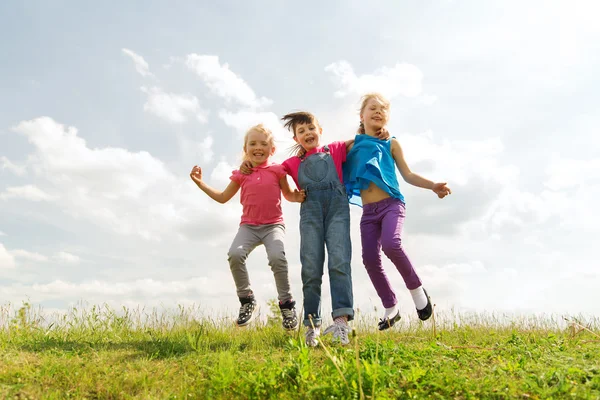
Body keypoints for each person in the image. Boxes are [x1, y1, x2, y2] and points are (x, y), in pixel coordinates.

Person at [343, 93, 451, 330]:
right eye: (373, 108)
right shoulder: (351, 146)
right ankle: (391, 306)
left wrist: (433, 185)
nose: (378, 111)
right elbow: (327, 153)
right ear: (362, 115)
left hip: (392, 205)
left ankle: (417, 290)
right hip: (369, 212)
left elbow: (408, 174)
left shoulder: (391, 143)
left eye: (383, 109)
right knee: (370, 259)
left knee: (392, 245)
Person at [190, 124, 305, 330]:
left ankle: (287, 305)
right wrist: (200, 183)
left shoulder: (278, 171)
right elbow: (223, 197)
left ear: (272, 149)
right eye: (253, 143)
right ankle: (246, 300)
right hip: (249, 227)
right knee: (235, 254)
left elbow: (287, 194)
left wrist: (298, 197)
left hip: (273, 226)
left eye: (263, 143)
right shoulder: (241, 174)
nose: (258, 147)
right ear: (246, 149)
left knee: (277, 257)